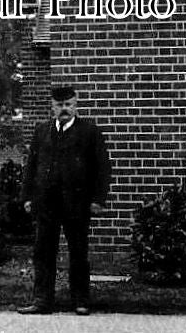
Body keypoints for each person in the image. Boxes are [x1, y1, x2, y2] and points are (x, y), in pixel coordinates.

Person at [17, 86, 112, 316]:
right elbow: (31, 166)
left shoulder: (89, 132)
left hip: (77, 203)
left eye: (68, 105)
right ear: (53, 107)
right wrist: (28, 197)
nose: (64, 109)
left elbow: (102, 167)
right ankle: (42, 301)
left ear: (75, 105)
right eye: (60, 105)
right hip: (46, 203)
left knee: (78, 252)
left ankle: (80, 300)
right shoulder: (42, 131)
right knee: (43, 252)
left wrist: (98, 199)